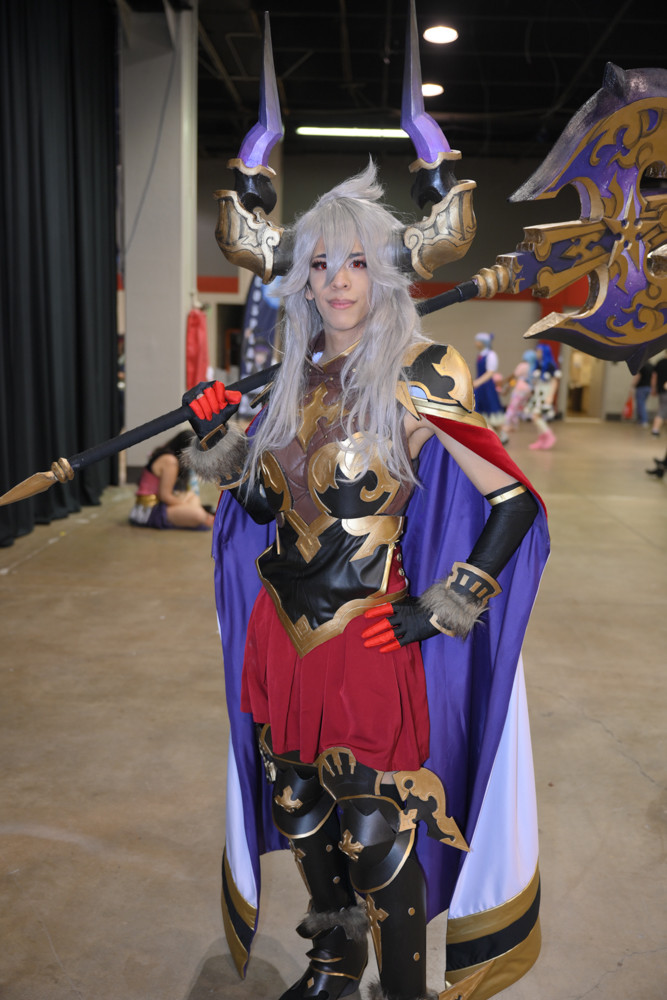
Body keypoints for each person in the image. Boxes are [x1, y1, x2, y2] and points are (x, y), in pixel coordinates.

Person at [183, 164, 549, 1000]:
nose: (336, 281)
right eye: (319, 264)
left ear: (382, 271)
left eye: (354, 262)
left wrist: (448, 604)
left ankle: (405, 992)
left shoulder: (421, 372)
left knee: (373, 825)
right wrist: (218, 444)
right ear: (302, 280)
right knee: (296, 805)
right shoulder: (291, 372)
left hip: (366, 635)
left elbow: (512, 500)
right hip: (282, 631)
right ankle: (335, 961)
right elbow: (266, 505)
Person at [129, 430, 214, 530]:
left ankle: (197, 515)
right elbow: (165, 496)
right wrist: (186, 506)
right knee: (200, 515)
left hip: (159, 505)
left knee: (192, 496)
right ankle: (200, 516)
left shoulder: (169, 456)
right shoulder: (170, 462)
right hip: (148, 512)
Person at [472, 332, 507, 443]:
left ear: (483, 342)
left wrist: (478, 382)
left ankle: (500, 436)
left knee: (491, 408)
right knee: (482, 411)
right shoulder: (481, 355)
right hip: (480, 388)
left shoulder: (491, 355)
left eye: (477, 341)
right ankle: (492, 436)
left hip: (487, 387)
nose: (475, 343)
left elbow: (490, 372)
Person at [526, 342, 561, 450]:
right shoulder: (538, 364)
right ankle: (541, 440)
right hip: (538, 392)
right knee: (538, 416)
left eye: (539, 351)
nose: (537, 353)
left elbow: (555, 381)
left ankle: (549, 435)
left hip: (545, 392)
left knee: (535, 416)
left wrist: (550, 396)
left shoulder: (550, 365)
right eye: (537, 351)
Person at [500, 349, 537, 438]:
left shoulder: (523, 365)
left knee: (512, 407)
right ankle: (514, 426)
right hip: (528, 390)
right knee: (518, 408)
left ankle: (505, 425)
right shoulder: (534, 367)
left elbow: (513, 377)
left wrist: (506, 386)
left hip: (520, 389)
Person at [650, 351, 667, 436]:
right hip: (664, 391)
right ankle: (655, 429)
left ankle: (655, 429)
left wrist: (653, 388)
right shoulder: (660, 363)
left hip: (661, 390)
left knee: (663, 408)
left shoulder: (660, 363)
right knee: (662, 409)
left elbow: (654, 377)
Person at [632, 360, 653, 427]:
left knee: (641, 405)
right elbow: (653, 377)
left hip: (641, 387)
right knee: (643, 404)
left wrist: (633, 385)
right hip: (648, 387)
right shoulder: (651, 366)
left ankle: (644, 421)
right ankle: (641, 420)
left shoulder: (641, 366)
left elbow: (638, 376)